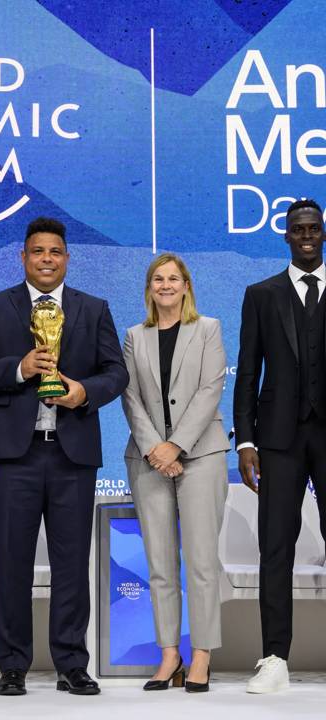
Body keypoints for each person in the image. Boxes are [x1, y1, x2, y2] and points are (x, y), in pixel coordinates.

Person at [0, 217, 127, 696]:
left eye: (55, 251)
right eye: (38, 251)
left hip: (73, 454)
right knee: (12, 561)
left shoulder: (94, 309)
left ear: (67, 258)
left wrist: (82, 392)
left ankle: (72, 664)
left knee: (73, 565)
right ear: (24, 257)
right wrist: (18, 368)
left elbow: (116, 372)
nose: (47, 259)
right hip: (16, 455)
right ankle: (12, 665)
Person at [121, 253, 229, 694]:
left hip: (201, 455)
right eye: (158, 279)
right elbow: (130, 397)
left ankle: (202, 654)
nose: (165, 285)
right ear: (149, 289)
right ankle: (170, 654)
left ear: (186, 286)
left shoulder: (208, 329)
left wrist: (176, 446)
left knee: (201, 562)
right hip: (148, 459)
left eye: (174, 278)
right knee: (160, 565)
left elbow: (210, 390)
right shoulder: (133, 336)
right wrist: (156, 450)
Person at [234, 198, 326, 694]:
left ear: (323, 234)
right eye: (298, 229)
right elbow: (248, 372)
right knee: (275, 548)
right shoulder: (261, 294)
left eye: (314, 227)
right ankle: (274, 658)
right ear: (286, 236)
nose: (307, 234)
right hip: (277, 439)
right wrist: (245, 440)